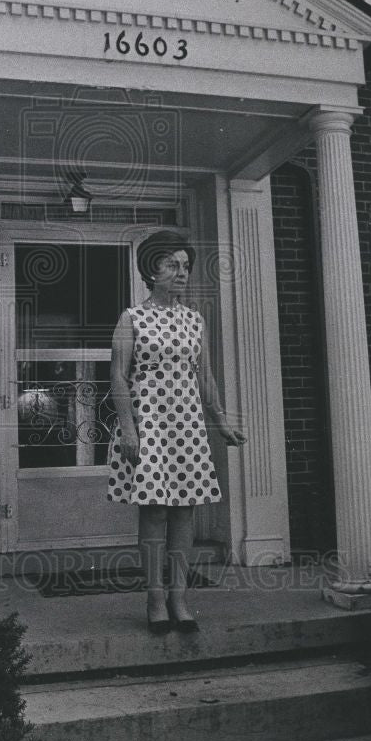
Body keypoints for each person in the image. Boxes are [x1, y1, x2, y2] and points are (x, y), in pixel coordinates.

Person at [107, 230, 247, 634]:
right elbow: (118, 376)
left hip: (186, 424)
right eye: (172, 264)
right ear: (152, 270)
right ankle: (154, 599)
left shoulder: (194, 319)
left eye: (185, 265)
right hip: (148, 422)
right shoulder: (132, 317)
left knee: (184, 511)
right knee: (153, 511)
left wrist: (221, 422)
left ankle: (179, 597)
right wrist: (129, 430)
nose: (182, 273)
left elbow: (205, 376)